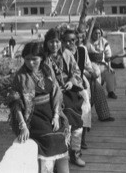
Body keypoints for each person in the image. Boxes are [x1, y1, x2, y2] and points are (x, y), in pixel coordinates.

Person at [8, 42, 69, 173]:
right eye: (27, 59)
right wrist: (23, 126)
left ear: (41, 58)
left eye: (34, 59)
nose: (31, 63)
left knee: (61, 133)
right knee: (49, 138)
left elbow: (57, 92)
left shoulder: (47, 70)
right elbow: (16, 104)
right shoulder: (20, 77)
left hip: (49, 111)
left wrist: (56, 115)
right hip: (31, 116)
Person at [43, 28, 86, 167]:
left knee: (76, 121)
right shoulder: (43, 58)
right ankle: (61, 156)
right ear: (46, 43)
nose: (54, 45)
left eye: (56, 42)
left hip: (69, 91)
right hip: (52, 94)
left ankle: (75, 153)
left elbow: (76, 71)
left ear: (60, 42)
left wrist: (71, 81)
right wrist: (54, 88)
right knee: (59, 123)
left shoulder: (67, 54)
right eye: (51, 42)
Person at [87, 27, 118, 99]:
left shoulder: (103, 41)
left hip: (102, 63)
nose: (97, 35)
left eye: (99, 33)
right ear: (91, 33)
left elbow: (108, 56)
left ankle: (111, 91)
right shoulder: (88, 42)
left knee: (110, 73)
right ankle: (96, 93)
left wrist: (109, 66)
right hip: (92, 64)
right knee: (96, 73)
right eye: (95, 33)